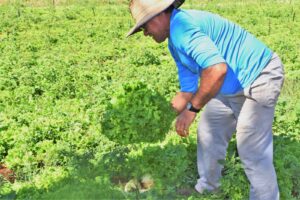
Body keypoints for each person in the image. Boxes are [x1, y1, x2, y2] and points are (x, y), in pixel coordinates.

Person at [127, 0, 284, 199]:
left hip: (259, 75)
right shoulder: (175, 42)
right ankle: (209, 189)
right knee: (209, 133)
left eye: (144, 26)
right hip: (230, 85)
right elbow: (187, 91)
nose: (145, 33)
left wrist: (192, 110)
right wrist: (158, 119)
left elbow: (217, 70)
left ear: (158, 15)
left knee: (252, 148)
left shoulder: (182, 29)